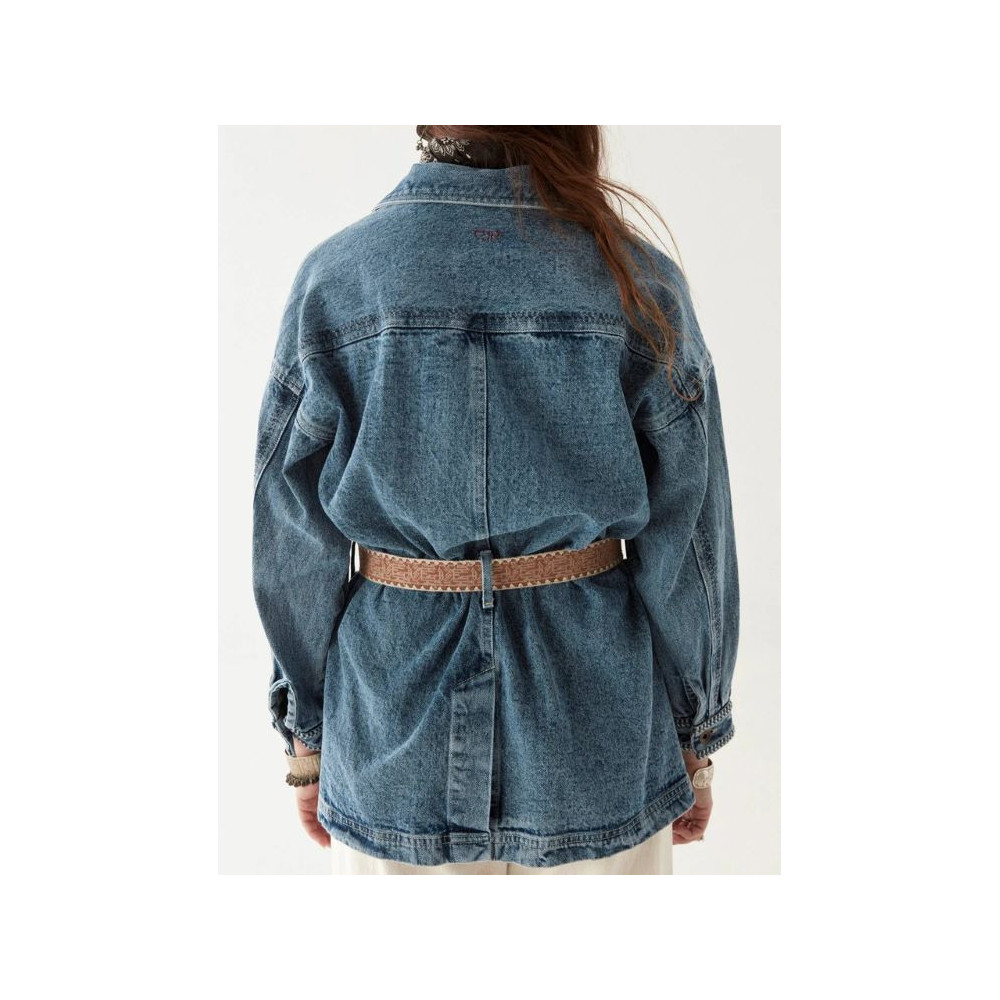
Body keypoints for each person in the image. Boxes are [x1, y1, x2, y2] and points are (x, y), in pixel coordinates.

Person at [251, 126, 739, 875]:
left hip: (392, 734)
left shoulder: (336, 279)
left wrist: (308, 742)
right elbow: (691, 541)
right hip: (594, 740)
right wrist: (695, 733)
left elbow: (294, 540)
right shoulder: (636, 278)